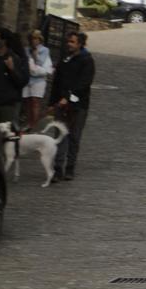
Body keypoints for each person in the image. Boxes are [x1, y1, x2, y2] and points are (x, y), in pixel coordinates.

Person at [49, 29, 95, 180]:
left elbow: (84, 84)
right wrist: (52, 101)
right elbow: (57, 81)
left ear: (80, 44)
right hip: (61, 104)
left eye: (72, 42)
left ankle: (70, 167)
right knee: (60, 135)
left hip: (78, 105)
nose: (68, 44)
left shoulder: (87, 60)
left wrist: (68, 98)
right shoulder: (64, 58)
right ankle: (57, 168)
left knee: (74, 137)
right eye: (68, 41)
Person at [0, 29, 29, 128]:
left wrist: (12, 69)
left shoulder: (14, 58)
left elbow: (22, 81)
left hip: (6, 104)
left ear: (4, 41)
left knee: (5, 136)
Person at [22, 30, 53, 129]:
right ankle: (28, 122)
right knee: (27, 101)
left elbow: (40, 63)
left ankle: (34, 125)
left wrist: (35, 55)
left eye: (36, 38)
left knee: (35, 101)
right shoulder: (26, 49)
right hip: (28, 78)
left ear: (40, 39)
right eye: (32, 38)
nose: (33, 41)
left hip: (38, 80)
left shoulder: (44, 50)